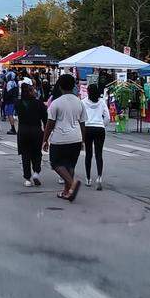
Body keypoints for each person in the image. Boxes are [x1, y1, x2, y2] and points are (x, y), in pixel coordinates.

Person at [43, 73, 86, 202]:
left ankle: (72, 184)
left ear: (60, 86)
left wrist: (45, 139)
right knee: (70, 165)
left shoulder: (56, 103)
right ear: (73, 86)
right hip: (76, 138)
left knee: (56, 163)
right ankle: (67, 192)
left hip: (60, 138)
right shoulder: (79, 102)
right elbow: (83, 123)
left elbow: (49, 124)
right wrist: (83, 139)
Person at [16, 82, 47, 186]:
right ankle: (36, 172)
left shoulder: (18, 103)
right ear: (30, 91)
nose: (35, 92)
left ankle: (27, 178)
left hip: (23, 131)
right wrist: (47, 134)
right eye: (33, 90)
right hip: (36, 130)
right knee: (37, 153)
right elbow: (45, 119)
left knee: (25, 155)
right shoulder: (39, 103)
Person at [82, 83, 110, 190]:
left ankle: (88, 178)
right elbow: (107, 117)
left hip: (88, 128)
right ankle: (99, 177)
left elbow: (81, 117)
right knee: (99, 154)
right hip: (99, 129)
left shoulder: (83, 102)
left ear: (88, 92)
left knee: (88, 154)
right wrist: (102, 124)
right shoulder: (102, 102)